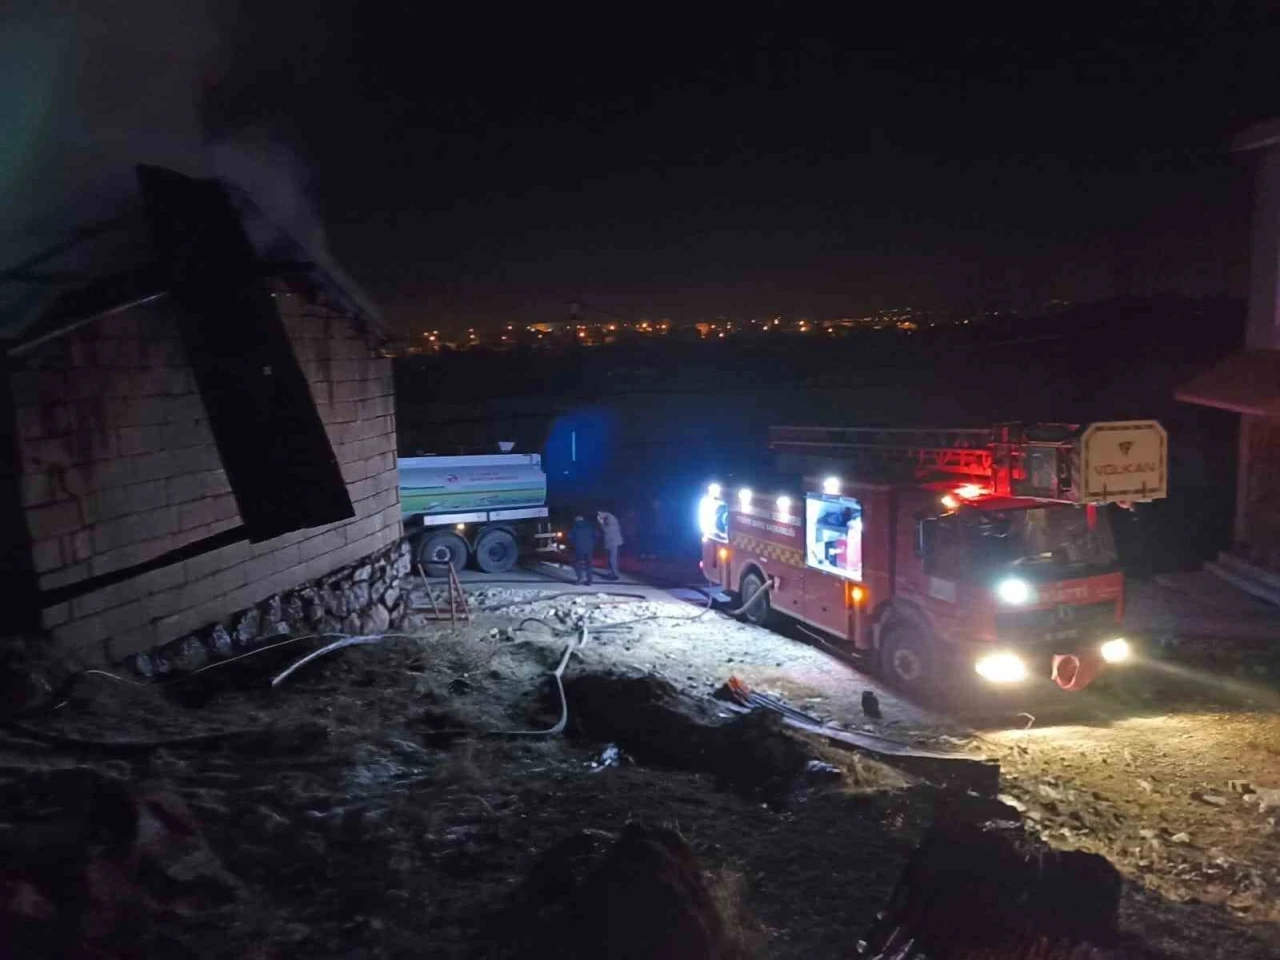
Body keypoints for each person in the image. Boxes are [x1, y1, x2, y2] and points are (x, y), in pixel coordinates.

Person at [570, 514, 596, 585]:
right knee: (589, 564)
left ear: (576, 520)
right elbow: (595, 535)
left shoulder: (574, 527)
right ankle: (589, 580)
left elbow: (571, 537)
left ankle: (580, 578)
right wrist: (592, 544)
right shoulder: (589, 526)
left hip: (579, 549)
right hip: (589, 548)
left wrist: (575, 544)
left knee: (577, 563)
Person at [597, 508, 623, 580]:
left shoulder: (610, 519)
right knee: (610, 559)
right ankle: (612, 573)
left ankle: (615, 575)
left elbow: (606, 530)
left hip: (612, 542)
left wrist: (601, 523)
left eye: (599, 514)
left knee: (612, 559)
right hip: (612, 542)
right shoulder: (610, 518)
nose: (598, 516)